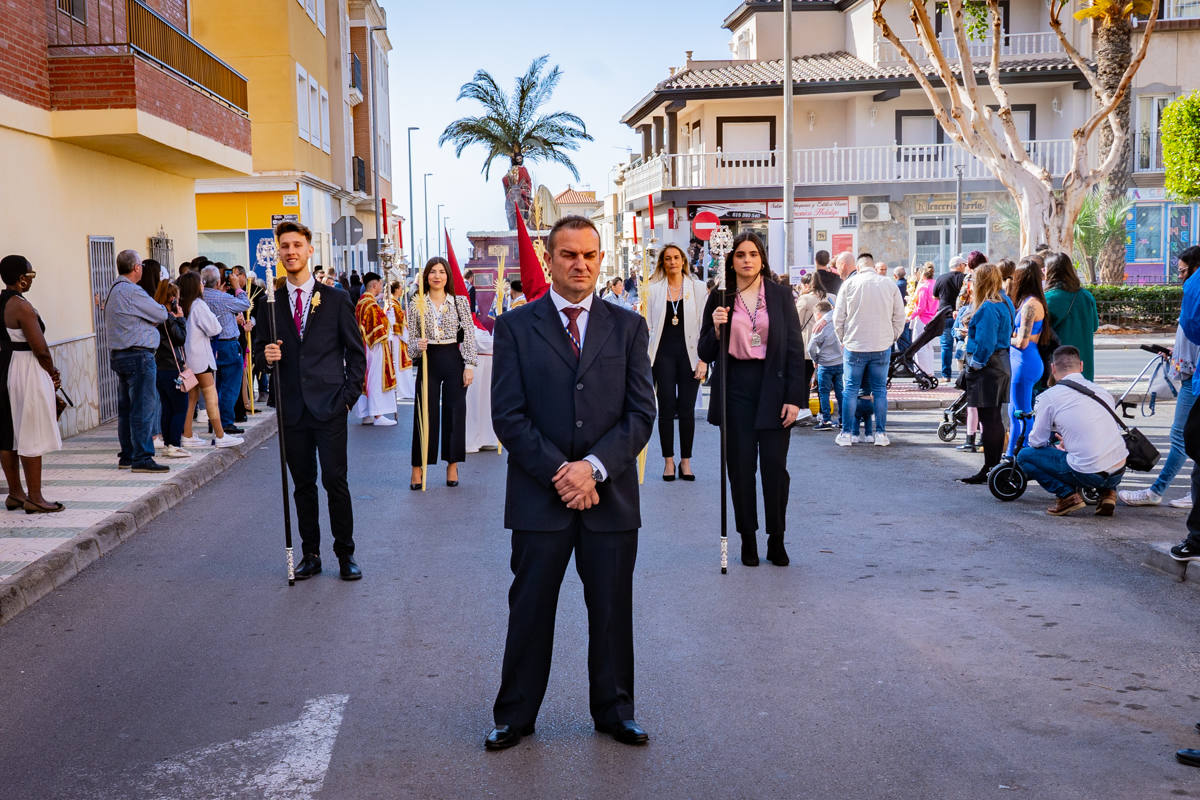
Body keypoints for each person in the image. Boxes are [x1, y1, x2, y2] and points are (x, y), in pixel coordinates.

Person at [486, 215, 655, 750]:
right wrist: (563, 473)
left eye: (589, 255)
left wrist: (594, 469)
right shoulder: (516, 327)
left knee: (610, 610)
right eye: (568, 255)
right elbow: (508, 415)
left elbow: (640, 413)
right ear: (550, 260)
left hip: (610, 498)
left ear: (601, 259)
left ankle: (614, 711)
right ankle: (515, 715)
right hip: (541, 499)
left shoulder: (628, 327)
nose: (580, 264)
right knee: (531, 609)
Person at [261, 220, 366, 581]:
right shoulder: (268, 301)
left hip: (330, 406)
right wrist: (266, 356)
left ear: (309, 250)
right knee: (302, 485)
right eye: (284, 246)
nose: (290, 252)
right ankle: (311, 553)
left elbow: (356, 353)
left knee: (335, 481)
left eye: (296, 245)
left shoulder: (336, 299)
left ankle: (346, 554)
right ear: (279, 253)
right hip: (292, 409)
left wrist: (348, 398)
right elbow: (260, 353)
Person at [699, 231, 807, 566]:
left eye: (753, 254)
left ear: (762, 259)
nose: (747, 260)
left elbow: (793, 348)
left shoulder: (779, 294)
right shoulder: (720, 296)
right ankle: (747, 537)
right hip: (736, 388)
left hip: (773, 387)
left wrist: (795, 397)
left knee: (775, 468)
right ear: (731, 260)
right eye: (741, 255)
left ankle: (777, 538)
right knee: (740, 469)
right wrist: (716, 330)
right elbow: (703, 351)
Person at [1121, 246, 1200, 508]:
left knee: (1180, 435)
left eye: (1183, 271)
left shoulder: (1194, 292)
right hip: (1189, 372)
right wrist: (1176, 353)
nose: (1180, 277)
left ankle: (1158, 490)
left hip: (1193, 377)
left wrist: (1183, 361)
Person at [1016, 346, 1125, 516]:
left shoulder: (1049, 397)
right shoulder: (1102, 392)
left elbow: (1036, 441)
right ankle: (1108, 493)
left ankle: (1067, 496)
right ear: (1081, 366)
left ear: (1052, 368)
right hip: (1118, 471)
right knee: (1104, 447)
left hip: (1089, 473)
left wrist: (1055, 448)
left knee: (1025, 456)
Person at [407, 257, 477, 489]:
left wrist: (469, 366)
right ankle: (418, 467)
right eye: (433, 272)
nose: (437, 276)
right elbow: (410, 345)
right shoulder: (416, 302)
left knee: (455, 413)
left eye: (441, 272)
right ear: (426, 276)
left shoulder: (460, 302)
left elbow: (468, 334)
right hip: (429, 361)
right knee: (424, 414)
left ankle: (452, 465)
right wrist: (418, 344)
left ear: (448, 276)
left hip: (453, 360)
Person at [0, 255, 63, 513]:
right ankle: (35, 497)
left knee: (7, 433)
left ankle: (15, 493)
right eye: (29, 274)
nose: (31, 278)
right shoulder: (21, 306)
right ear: (20, 278)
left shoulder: (2, 301)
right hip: (24, 368)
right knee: (31, 430)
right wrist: (52, 372)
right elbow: (40, 347)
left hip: (4, 366)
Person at [645, 243, 707, 481]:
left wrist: (703, 360)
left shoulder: (698, 288)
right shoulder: (653, 289)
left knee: (687, 409)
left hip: (691, 356)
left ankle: (686, 462)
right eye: (668, 258)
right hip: (662, 356)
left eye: (676, 257)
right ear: (662, 262)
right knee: (667, 408)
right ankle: (669, 462)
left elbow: (705, 328)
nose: (672, 262)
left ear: (683, 261)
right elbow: (648, 326)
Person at [105, 250, 170, 472]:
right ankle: (142, 457)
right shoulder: (132, 291)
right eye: (140, 265)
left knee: (126, 409)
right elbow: (161, 314)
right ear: (136, 268)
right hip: (138, 356)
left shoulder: (114, 289)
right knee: (142, 407)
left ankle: (127, 455)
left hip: (120, 355)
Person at [833, 253, 906, 448]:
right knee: (880, 390)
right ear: (873, 266)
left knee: (850, 389)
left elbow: (838, 317)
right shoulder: (889, 284)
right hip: (881, 345)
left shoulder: (849, 284)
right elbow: (900, 316)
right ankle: (880, 433)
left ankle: (847, 433)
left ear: (858, 267)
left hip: (855, 344)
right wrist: (893, 337)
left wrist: (843, 338)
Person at [958, 264, 1014, 483]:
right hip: (1001, 363)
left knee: (988, 419)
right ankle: (992, 466)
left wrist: (975, 364)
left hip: (988, 366)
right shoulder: (1004, 301)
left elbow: (986, 342)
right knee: (993, 418)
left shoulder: (988, 307)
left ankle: (990, 468)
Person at [178, 272, 243, 449]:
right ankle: (220, 436)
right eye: (201, 282)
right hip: (202, 358)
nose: (203, 285)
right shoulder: (199, 305)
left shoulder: (185, 305)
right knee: (211, 397)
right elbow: (214, 328)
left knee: (192, 398)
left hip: (189, 357)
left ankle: (187, 434)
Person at [1006, 257, 1050, 458]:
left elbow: (1022, 341)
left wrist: (1005, 338)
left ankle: (1017, 456)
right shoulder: (1029, 302)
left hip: (1024, 361)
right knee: (1015, 411)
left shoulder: (1030, 305)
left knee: (1021, 413)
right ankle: (1016, 454)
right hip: (1024, 361)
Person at [200, 265, 250, 436]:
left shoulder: (200, 298)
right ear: (219, 281)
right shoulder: (222, 298)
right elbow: (245, 304)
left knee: (216, 386)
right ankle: (226, 421)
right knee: (230, 386)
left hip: (210, 345)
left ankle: (214, 420)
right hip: (227, 343)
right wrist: (237, 287)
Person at [1044, 252, 1100, 381]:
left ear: (1051, 271)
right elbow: (1094, 326)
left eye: (1045, 268)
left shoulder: (1048, 298)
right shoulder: (1086, 296)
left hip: (1058, 362)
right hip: (1082, 363)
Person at [351, 272, 397, 427]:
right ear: (375, 284)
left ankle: (367, 413)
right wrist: (388, 321)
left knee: (367, 379)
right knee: (375, 379)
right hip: (375, 346)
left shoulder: (362, 302)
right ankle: (378, 414)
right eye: (381, 284)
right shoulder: (370, 304)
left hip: (365, 346)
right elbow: (376, 328)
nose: (382, 287)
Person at [151, 280, 190, 459]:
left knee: (167, 407)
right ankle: (174, 444)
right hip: (173, 368)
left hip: (159, 368)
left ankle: (168, 444)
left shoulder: (154, 315)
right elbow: (180, 338)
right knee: (180, 407)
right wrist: (180, 318)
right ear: (173, 299)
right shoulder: (168, 317)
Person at [932, 254, 968, 380]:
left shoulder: (941, 278)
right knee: (961, 344)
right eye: (964, 265)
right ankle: (962, 374)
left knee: (946, 346)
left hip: (944, 315)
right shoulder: (964, 279)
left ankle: (946, 375)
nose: (965, 267)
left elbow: (935, 297)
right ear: (959, 265)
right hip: (961, 317)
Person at [808, 299, 842, 431]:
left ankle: (826, 420)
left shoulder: (820, 326)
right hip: (840, 362)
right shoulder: (839, 321)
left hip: (825, 363)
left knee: (824, 393)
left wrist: (815, 359)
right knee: (841, 393)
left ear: (819, 314)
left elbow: (811, 347)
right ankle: (842, 420)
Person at [906, 263, 938, 375]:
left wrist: (910, 317)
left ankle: (922, 371)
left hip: (922, 319)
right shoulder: (935, 284)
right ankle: (930, 371)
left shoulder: (923, 287)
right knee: (929, 347)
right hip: (933, 318)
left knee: (919, 348)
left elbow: (920, 307)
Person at [388, 280, 415, 401]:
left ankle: (405, 390)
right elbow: (398, 326)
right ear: (397, 289)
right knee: (400, 366)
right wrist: (409, 338)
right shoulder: (393, 305)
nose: (402, 290)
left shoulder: (394, 303)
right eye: (400, 288)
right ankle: (403, 391)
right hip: (398, 339)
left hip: (399, 339)